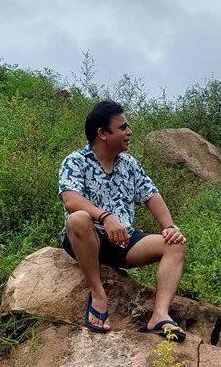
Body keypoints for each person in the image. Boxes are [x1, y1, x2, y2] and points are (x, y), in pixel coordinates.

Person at [58, 100, 188, 338]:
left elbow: (151, 195)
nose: (129, 132)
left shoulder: (129, 164)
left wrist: (169, 227)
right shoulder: (75, 161)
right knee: (78, 218)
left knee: (175, 243)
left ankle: (159, 315)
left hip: (123, 241)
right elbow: (70, 199)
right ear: (102, 134)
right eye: (122, 127)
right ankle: (97, 295)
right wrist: (105, 217)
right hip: (89, 238)